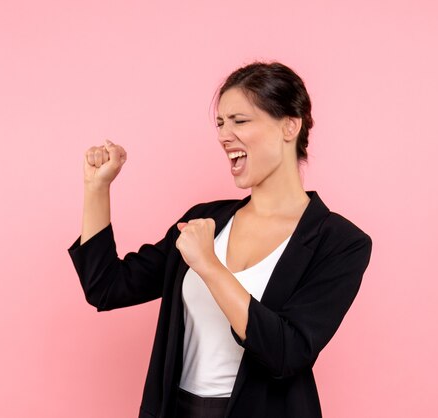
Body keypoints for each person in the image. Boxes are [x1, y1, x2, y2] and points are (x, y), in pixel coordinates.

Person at [67, 61, 372, 418]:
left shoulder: (340, 242)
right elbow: (106, 287)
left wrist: (210, 266)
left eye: (240, 121)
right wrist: (96, 187)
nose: (224, 135)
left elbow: (286, 353)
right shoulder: (203, 220)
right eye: (221, 123)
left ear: (290, 125)